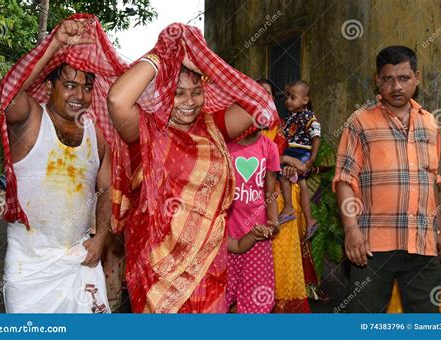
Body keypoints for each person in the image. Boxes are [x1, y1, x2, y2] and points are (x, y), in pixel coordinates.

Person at [107, 23, 278, 313]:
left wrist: (203, 60)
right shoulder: (146, 132)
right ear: (162, 94)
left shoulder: (212, 128)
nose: (189, 102)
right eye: (179, 93)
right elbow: (116, 99)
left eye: (196, 92)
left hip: (209, 265)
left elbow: (261, 105)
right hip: (158, 271)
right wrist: (165, 55)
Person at [0, 16, 126, 313]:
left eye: (87, 87)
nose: (79, 95)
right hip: (29, 272)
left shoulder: (97, 137)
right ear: (49, 84)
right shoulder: (30, 121)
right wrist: (55, 43)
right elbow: (8, 96)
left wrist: (101, 237)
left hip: (81, 262)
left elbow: (105, 189)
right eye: (69, 85)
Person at [334, 45, 441, 313]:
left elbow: (432, 181)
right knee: (362, 320)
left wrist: (438, 231)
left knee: (428, 322)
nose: (396, 86)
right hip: (372, 246)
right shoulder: (359, 122)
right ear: (377, 80)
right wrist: (351, 231)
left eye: (404, 78)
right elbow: (345, 179)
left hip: (421, 243)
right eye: (388, 79)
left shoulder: (430, 123)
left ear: (417, 78)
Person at [226, 129, 280, 313]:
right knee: (220, 296)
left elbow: (269, 193)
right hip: (224, 235)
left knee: (256, 300)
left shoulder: (269, 147)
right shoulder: (224, 143)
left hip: (258, 236)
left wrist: (273, 223)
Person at [278, 81, 320, 241]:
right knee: (300, 183)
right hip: (292, 153)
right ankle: (309, 220)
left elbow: (316, 137)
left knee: (283, 174)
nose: (288, 100)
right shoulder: (289, 118)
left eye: (292, 97)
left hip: (301, 152)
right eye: (287, 97)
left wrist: (312, 159)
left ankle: (289, 207)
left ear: (305, 100)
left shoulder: (308, 116)